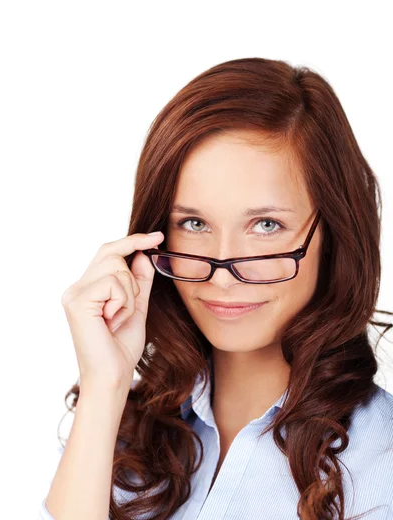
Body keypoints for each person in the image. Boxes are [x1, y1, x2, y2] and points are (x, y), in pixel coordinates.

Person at [39, 57, 393, 520]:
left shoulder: (378, 463)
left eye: (266, 225)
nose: (221, 274)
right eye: (194, 223)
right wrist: (105, 384)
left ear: (333, 233)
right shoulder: (122, 435)